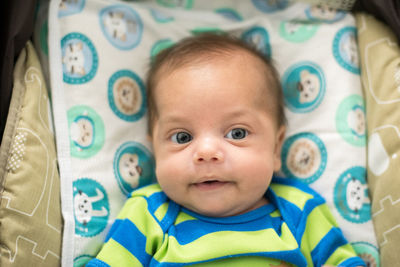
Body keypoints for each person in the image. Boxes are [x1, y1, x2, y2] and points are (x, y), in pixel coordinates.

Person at [87, 33, 365, 267]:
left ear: (276, 147)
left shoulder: (299, 208)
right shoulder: (148, 213)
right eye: (182, 137)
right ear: (154, 147)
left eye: (237, 133)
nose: (207, 152)